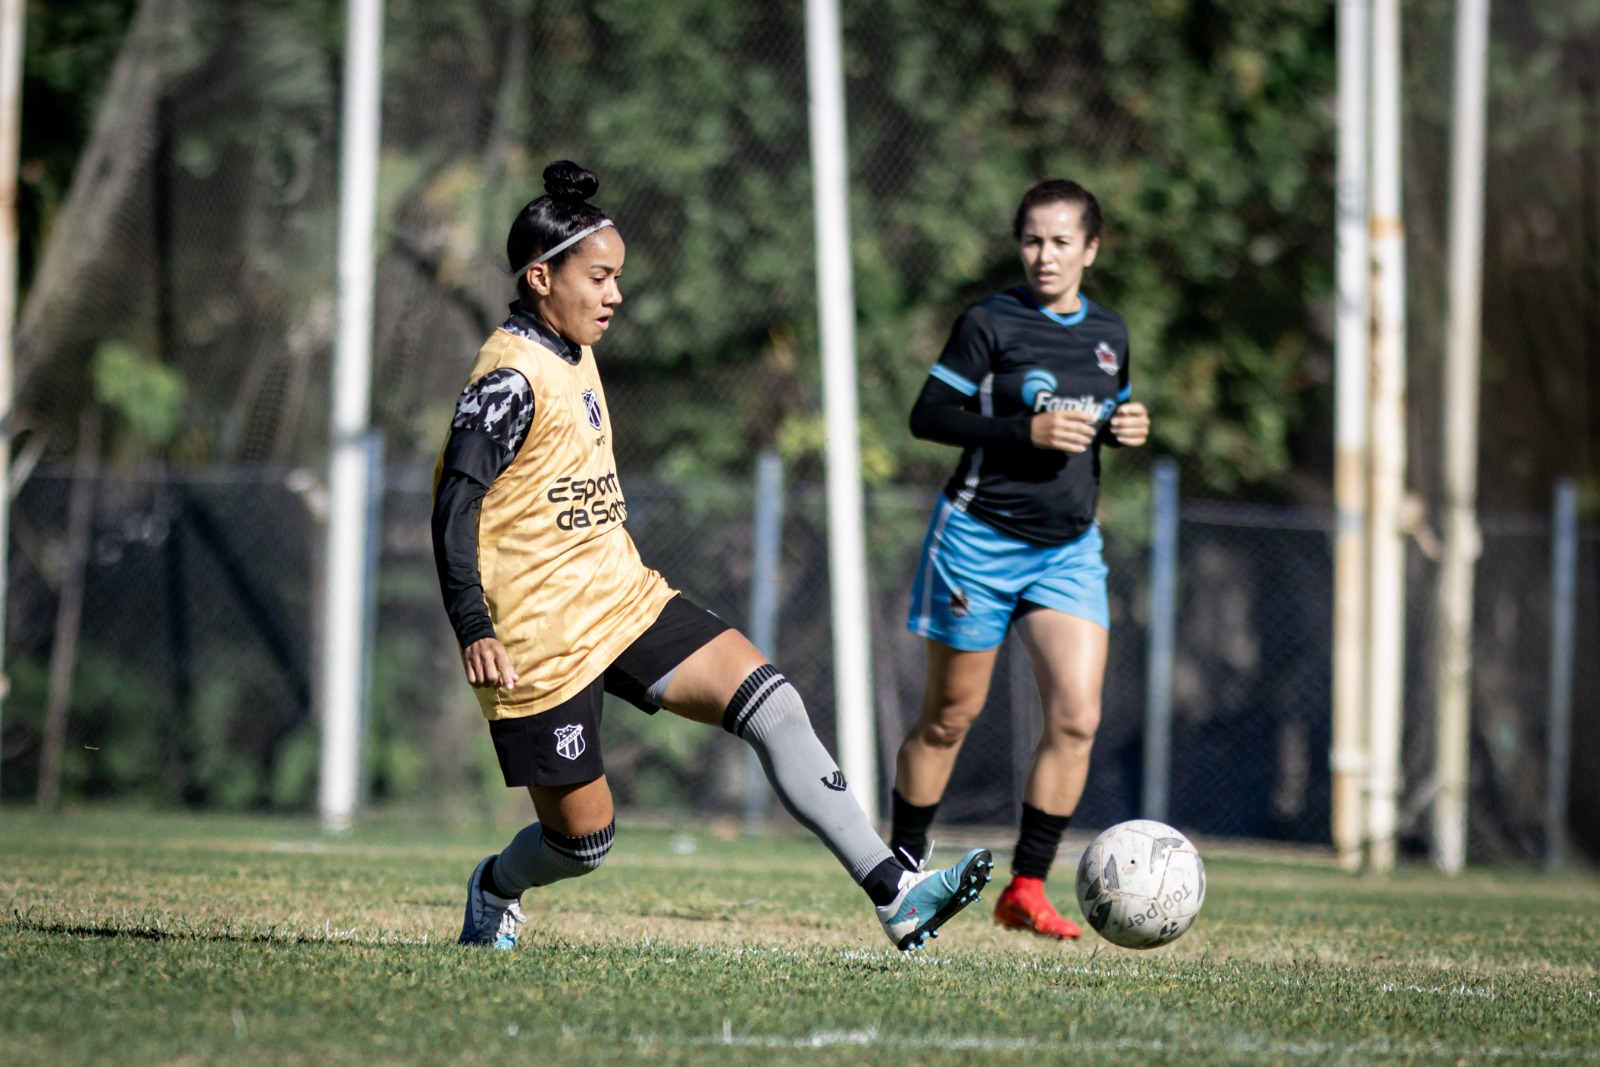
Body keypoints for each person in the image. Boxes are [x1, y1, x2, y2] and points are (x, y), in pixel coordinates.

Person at [431, 160, 993, 953]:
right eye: (599, 278)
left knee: (773, 701)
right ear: (540, 278)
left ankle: (893, 890)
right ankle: (496, 884)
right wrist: (472, 624)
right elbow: (454, 509)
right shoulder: (508, 379)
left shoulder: (572, 346)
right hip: (538, 639)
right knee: (582, 844)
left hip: (622, 599)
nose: (615, 294)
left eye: (618, 277)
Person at [886, 178, 1150, 940]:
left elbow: (1099, 414)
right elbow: (928, 414)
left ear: (1090, 250)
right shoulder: (989, 322)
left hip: (1068, 551)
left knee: (1078, 714)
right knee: (949, 716)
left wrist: (1120, 427)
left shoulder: (1109, 331)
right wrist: (1020, 433)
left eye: (1062, 241)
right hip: (978, 541)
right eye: (1033, 239)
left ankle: (1025, 887)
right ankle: (901, 876)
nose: (1045, 255)